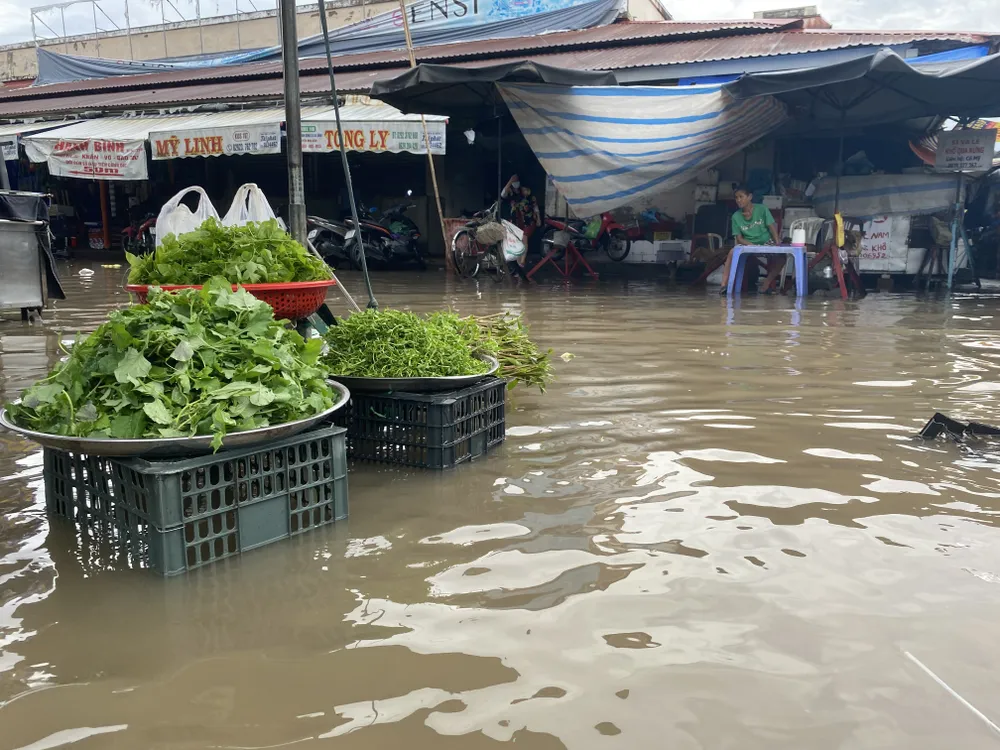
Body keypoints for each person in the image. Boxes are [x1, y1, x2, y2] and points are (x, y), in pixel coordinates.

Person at [719, 185, 783, 294]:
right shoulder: (736, 216)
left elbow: (772, 227)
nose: (738, 200)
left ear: (750, 197)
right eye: (736, 197)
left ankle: (766, 284)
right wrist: (752, 245)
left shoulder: (762, 209)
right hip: (747, 244)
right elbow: (739, 238)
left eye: (741, 197)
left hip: (766, 242)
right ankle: (724, 286)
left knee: (782, 257)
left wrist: (777, 242)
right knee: (731, 253)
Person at [501, 174, 540, 282]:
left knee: (524, 239)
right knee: (517, 241)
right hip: (515, 221)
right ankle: (518, 266)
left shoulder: (527, 193)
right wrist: (510, 181)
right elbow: (503, 194)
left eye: (517, 180)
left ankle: (522, 261)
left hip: (528, 220)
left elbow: (535, 206)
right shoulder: (511, 192)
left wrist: (538, 219)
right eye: (514, 181)